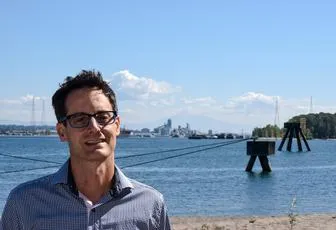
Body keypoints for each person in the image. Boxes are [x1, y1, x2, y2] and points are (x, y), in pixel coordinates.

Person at [1, 70, 171, 230]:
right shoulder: (24, 203)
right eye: (80, 119)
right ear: (62, 131)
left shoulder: (151, 204)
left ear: (117, 125)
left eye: (103, 117)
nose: (95, 128)